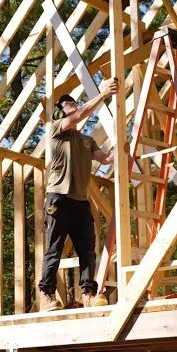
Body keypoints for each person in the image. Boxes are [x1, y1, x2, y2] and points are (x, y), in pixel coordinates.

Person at [38, 77, 118, 311]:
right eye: (66, 103)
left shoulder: (86, 140)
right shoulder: (55, 129)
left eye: (73, 100)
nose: (71, 102)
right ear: (60, 112)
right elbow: (80, 116)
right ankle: (47, 294)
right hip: (58, 197)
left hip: (80, 201)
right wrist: (102, 95)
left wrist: (123, 147)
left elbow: (105, 159)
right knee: (54, 248)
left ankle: (89, 294)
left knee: (87, 248)